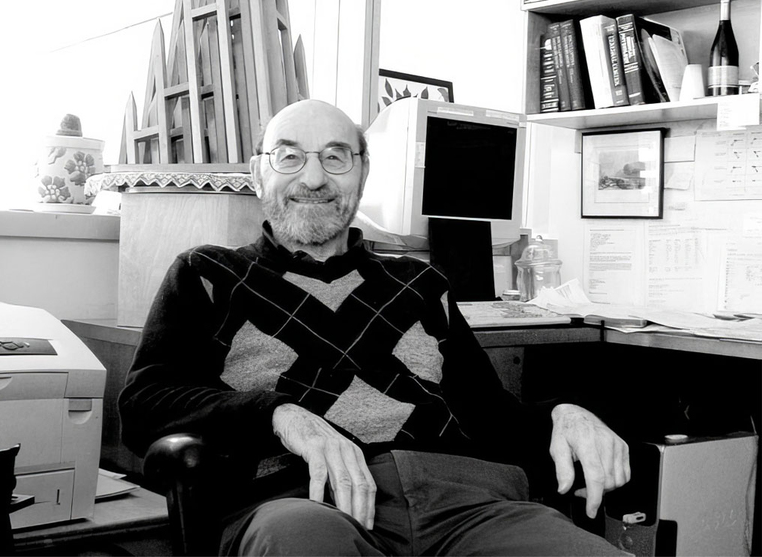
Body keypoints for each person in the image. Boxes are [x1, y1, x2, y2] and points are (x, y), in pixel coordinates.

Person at [119, 99, 630, 556]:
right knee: (303, 542)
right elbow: (145, 404)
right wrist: (279, 414)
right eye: (290, 156)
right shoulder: (209, 274)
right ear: (259, 174)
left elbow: (491, 414)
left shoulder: (422, 284)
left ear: (361, 175)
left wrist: (566, 413)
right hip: (304, 500)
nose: (314, 179)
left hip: (461, 502)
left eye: (336, 157)